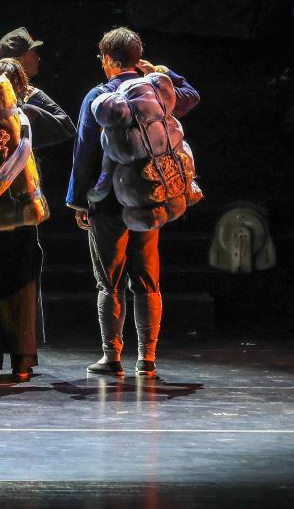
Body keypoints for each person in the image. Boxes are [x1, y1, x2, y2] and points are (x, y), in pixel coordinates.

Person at [67, 27, 200, 378]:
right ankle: (147, 358)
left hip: (109, 200)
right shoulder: (157, 90)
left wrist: (78, 201)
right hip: (149, 195)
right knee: (147, 278)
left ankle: (111, 357)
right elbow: (191, 95)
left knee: (108, 280)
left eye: (103, 58)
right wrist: (160, 70)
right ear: (137, 58)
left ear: (109, 60)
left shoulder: (99, 95)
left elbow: (85, 150)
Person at [0, 58, 75, 381]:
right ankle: (22, 361)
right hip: (21, 210)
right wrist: (31, 97)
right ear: (19, 85)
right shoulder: (24, 115)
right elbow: (66, 126)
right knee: (22, 287)